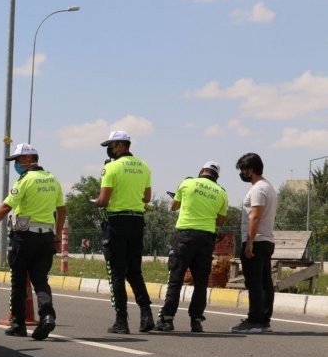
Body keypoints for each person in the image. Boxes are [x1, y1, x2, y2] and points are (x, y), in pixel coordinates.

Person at [0, 143, 66, 341]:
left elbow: (5, 208)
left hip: (24, 237)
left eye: (18, 160)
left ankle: (18, 324)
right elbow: (61, 210)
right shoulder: (52, 179)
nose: (16, 165)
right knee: (40, 281)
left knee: (18, 281)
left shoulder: (25, 181)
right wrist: (56, 236)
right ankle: (47, 316)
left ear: (29, 159)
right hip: (46, 237)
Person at [153, 161, 228, 333]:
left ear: (202, 171)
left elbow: (174, 207)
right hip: (207, 239)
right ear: (217, 176)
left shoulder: (187, 183)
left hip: (185, 236)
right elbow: (221, 220)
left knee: (176, 278)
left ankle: (167, 319)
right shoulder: (222, 193)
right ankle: (196, 320)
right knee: (201, 282)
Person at [93, 131, 154, 334]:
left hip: (116, 223)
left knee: (117, 273)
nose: (109, 149)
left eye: (110, 145)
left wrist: (96, 202)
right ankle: (146, 315)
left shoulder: (111, 167)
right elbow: (146, 198)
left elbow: (103, 200)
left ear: (120, 145)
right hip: (137, 221)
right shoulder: (144, 166)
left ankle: (121, 320)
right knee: (134, 271)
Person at [231, 153, 277, 334]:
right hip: (266, 240)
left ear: (251, 169)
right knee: (265, 282)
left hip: (256, 240)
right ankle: (264, 320)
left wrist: (249, 242)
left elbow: (255, 216)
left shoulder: (258, 189)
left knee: (254, 282)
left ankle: (255, 320)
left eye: (243, 170)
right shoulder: (268, 186)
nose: (242, 173)